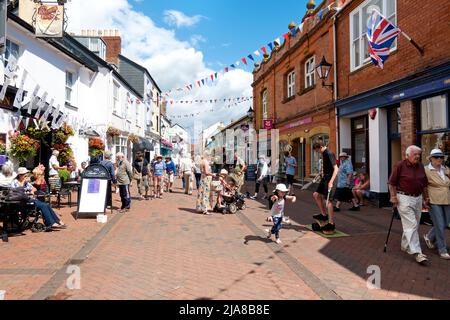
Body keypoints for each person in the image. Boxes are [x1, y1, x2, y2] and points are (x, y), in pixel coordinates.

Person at [388, 145, 429, 265]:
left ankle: (405, 245)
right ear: (407, 155)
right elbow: (391, 183)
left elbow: (424, 183)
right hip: (404, 198)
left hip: (418, 198)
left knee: (414, 224)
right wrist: (393, 197)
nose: (417, 156)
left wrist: (426, 197)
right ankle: (417, 252)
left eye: (419, 154)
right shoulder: (400, 165)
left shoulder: (421, 166)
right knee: (411, 224)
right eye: (415, 154)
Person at [423, 149, 450, 260]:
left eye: (441, 157)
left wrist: (449, 174)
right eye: (436, 157)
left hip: (447, 199)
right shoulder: (426, 170)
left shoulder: (446, 169)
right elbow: (423, 186)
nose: (439, 159)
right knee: (439, 224)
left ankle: (429, 236)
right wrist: (425, 199)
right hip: (433, 200)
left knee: (445, 223)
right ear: (431, 158)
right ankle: (442, 249)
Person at [312, 141, 339, 235]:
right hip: (325, 178)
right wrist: (321, 174)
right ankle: (323, 215)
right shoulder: (323, 154)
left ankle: (331, 223)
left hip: (331, 178)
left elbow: (336, 169)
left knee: (329, 201)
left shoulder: (329, 153)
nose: (317, 152)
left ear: (320, 147)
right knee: (316, 194)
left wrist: (331, 182)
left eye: (317, 150)